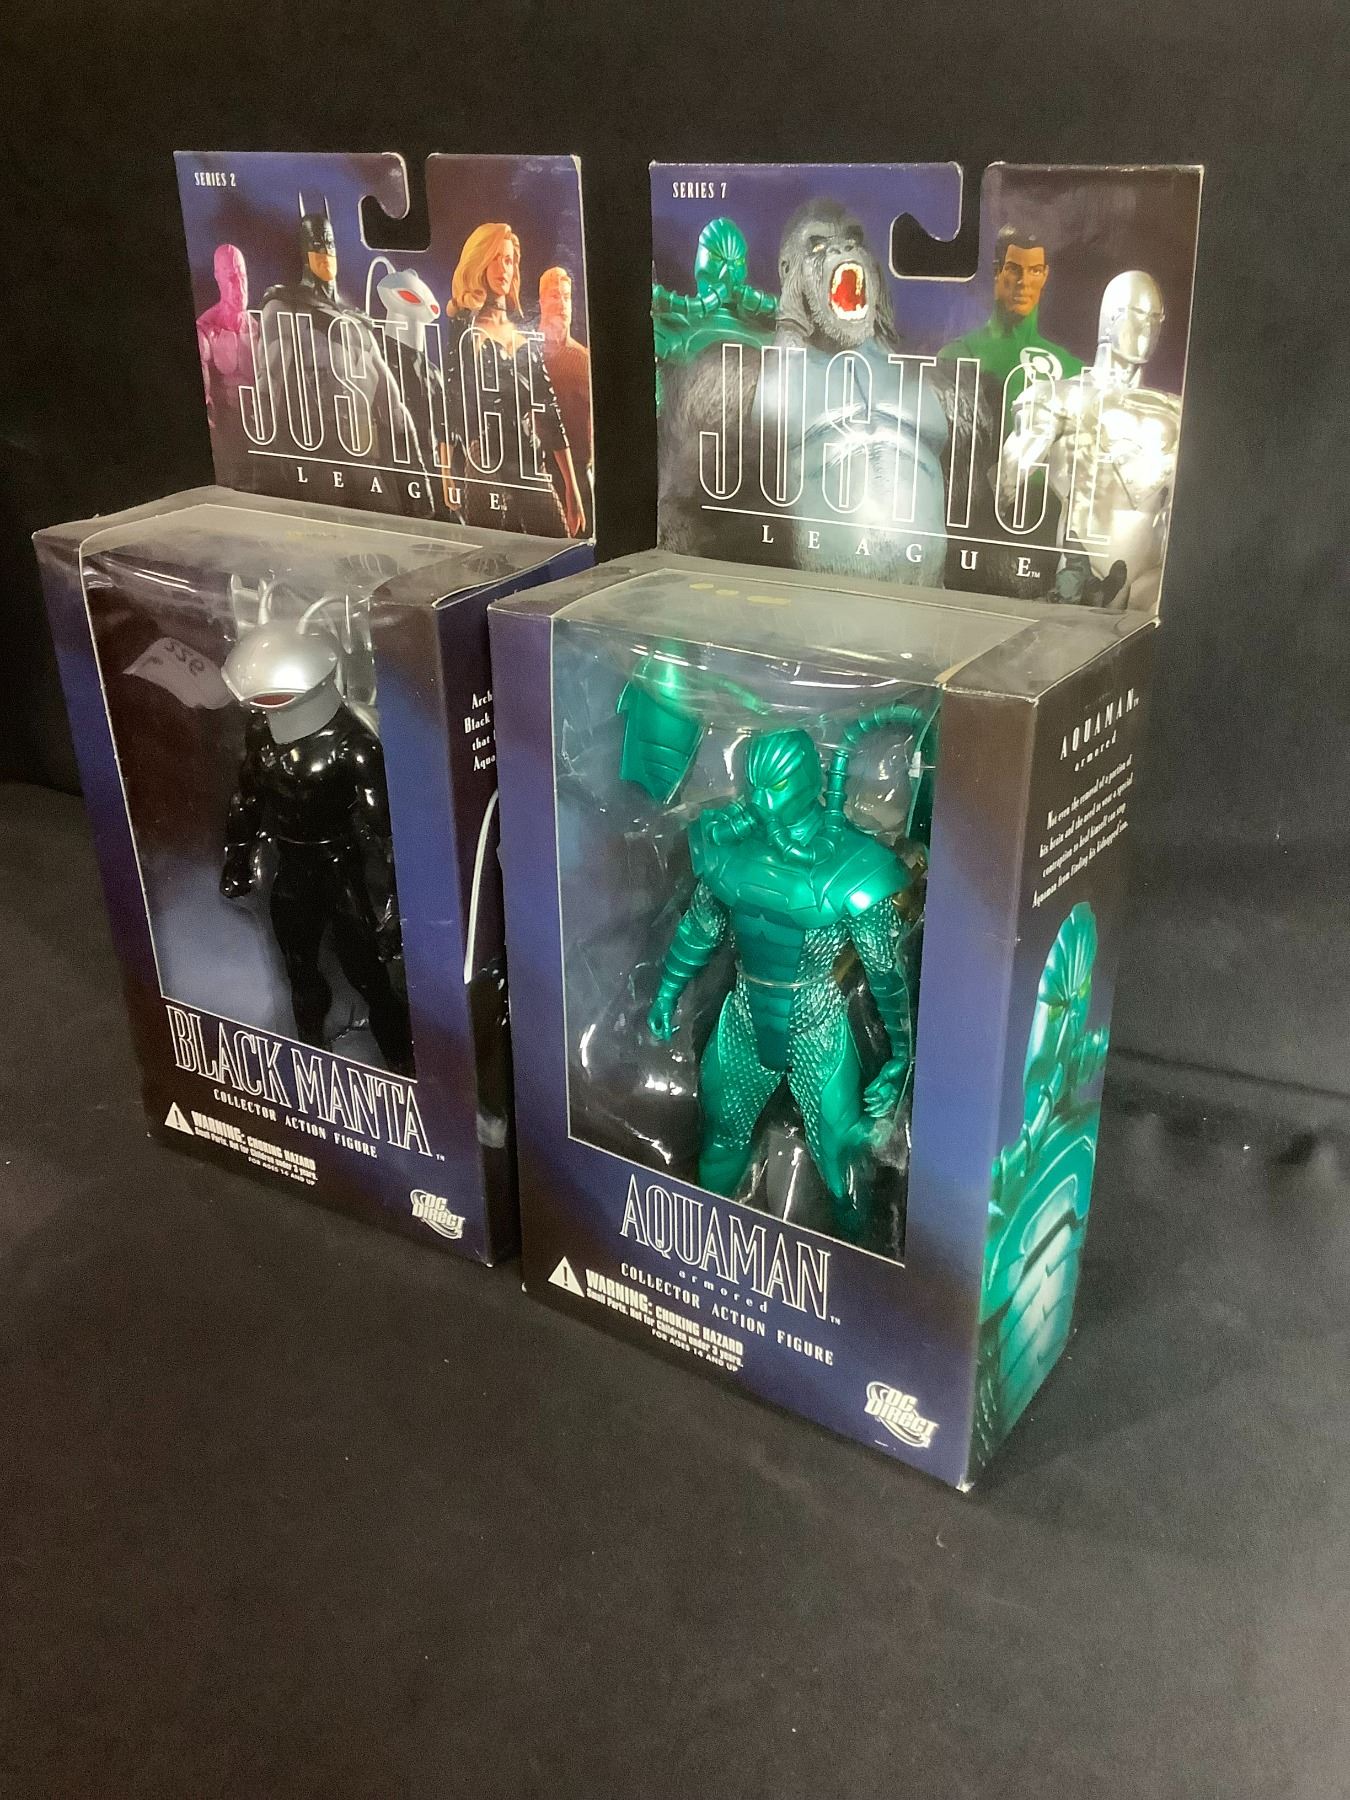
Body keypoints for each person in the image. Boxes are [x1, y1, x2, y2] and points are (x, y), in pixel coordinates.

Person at [442, 223, 585, 537]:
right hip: (485, 463)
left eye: (508, 260)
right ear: (480, 261)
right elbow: (450, 399)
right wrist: (446, 472)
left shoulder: (524, 338)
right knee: (490, 551)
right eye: (495, 258)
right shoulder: (466, 329)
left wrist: (571, 488)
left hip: (529, 461)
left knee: (556, 543)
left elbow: (549, 412)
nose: (503, 268)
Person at [196, 244, 261, 489]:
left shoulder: (259, 328)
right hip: (226, 434)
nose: (240, 288)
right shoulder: (205, 330)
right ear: (219, 279)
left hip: (262, 432)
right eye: (232, 278)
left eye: (242, 277)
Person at [538, 266, 593, 535]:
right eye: (554, 295)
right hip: (539, 469)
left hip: (582, 471)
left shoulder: (584, 359)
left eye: (567, 296)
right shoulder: (528, 353)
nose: (562, 303)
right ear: (541, 301)